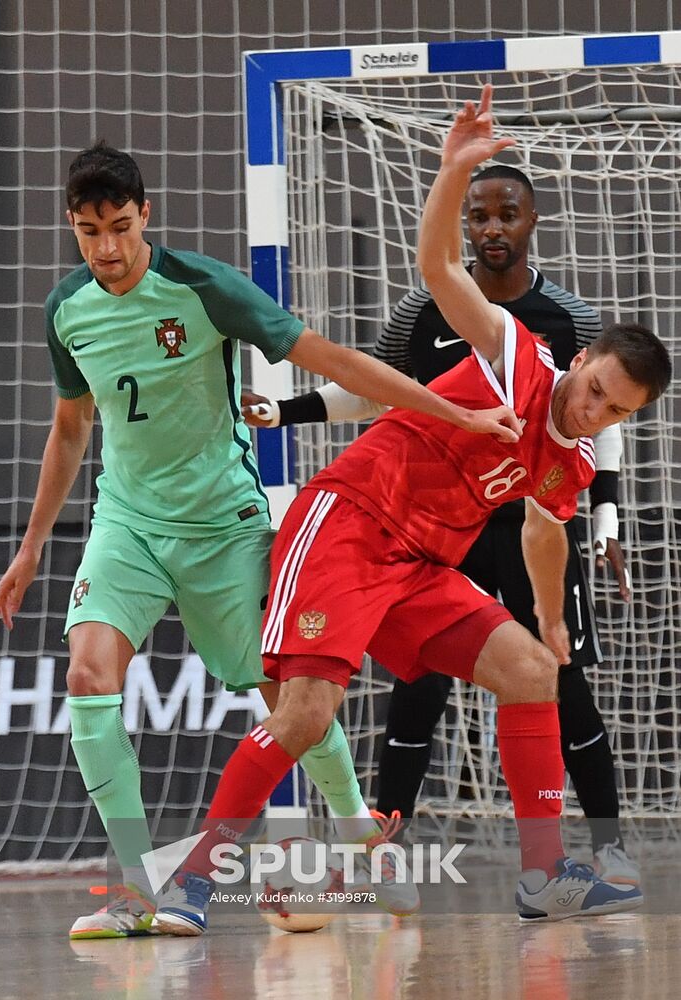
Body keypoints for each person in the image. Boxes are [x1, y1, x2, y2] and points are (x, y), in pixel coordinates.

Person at [154, 86, 669, 928]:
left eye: (616, 413)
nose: (595, 413)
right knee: (308, 712)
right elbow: (437, 269)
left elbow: (546, 530)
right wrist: (452, 170)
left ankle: (545, 877)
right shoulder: (518, 356)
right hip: (349, 525)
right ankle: (193, 883)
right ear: (582, 363)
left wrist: (549, 617)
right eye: (598, 392)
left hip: (421, 565)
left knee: (535, 671)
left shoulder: (571, 459)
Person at [0, 142, 520, 939]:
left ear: (147, 217)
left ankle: (359, 841)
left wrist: (458, 414)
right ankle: (137, 888)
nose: (106, 249)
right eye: (89, 230)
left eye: (121, 228)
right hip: (126, 524)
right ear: (72, 224)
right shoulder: (66, 310)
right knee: (90, 678)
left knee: (288, 700)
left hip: (223, 526)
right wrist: (31, 546)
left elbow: (330, 357)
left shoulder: (203, 289)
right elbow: (70, 428)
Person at [244, 163, 638, 884]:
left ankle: (569, 864)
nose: (492, 226)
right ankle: (359, 851)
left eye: (507, 214)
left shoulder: (573, 334)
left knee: (547, 672)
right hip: (386, 524)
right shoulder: (479, 329)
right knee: (375, 704)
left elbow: (565, 492)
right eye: (480, 213)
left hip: (468, 537)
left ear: (532, 221)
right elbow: (374, 383)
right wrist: (289, 411)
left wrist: (592, 538)